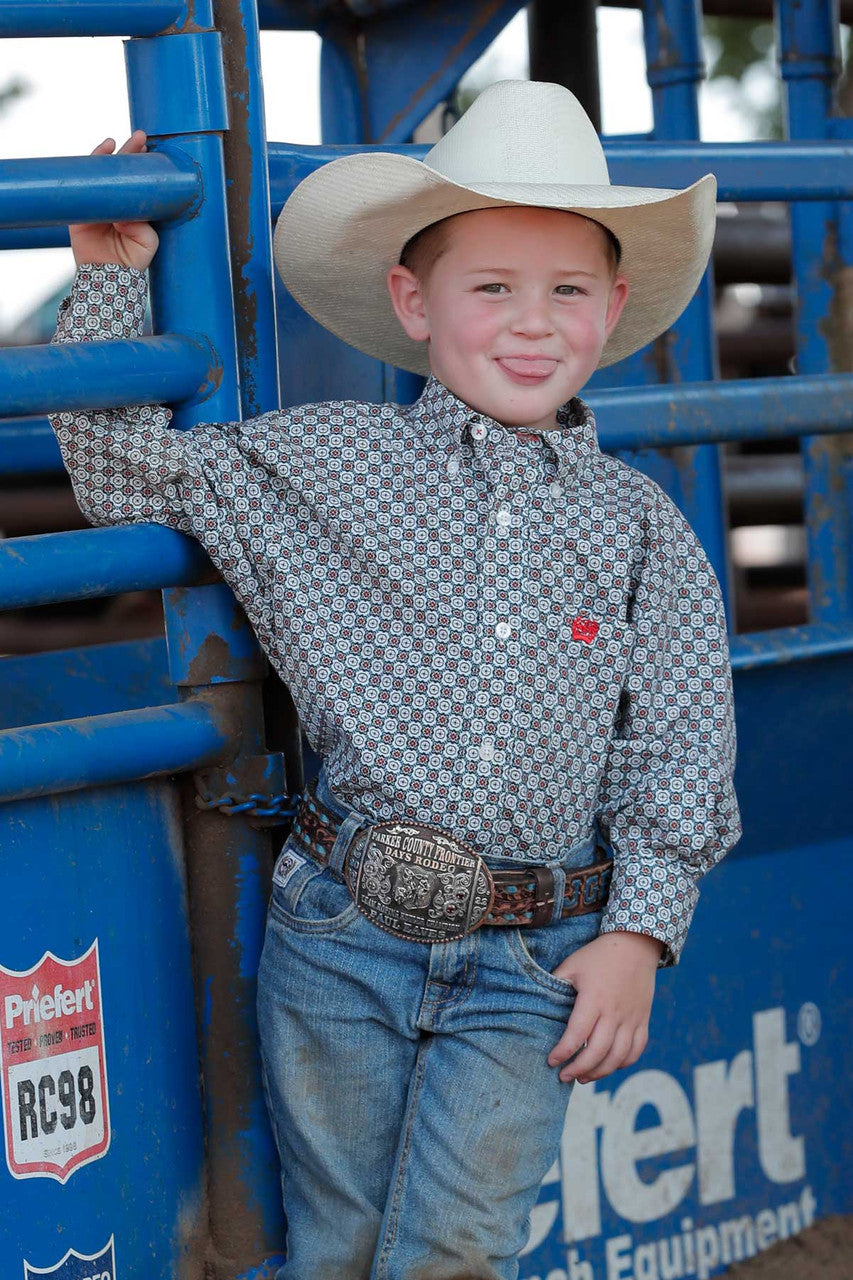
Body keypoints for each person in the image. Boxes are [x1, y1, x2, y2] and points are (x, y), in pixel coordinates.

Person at [50, 80, 740, 1280]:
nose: (533, 324)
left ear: (613, 307)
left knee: (452, 1254)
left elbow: (679, 745)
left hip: (536, 952)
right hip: (341, 932)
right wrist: (111, 277)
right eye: (492, 288)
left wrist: (638, 929)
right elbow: (120, 473)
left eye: (566, 290)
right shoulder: (320, 465)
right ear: (413, 303)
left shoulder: (640, 530)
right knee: (340, 1249)